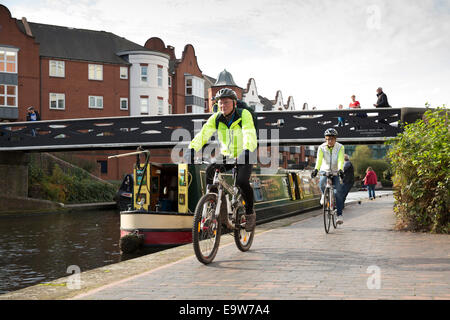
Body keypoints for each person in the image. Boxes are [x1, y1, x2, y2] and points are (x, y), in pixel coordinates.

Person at [185, 88, 258, 232]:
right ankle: (214, 206)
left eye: (226, 102)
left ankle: (249, 213)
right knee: (210, 171)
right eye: (220, 103)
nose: (223, 106)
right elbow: (203, 134)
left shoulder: (244, 115)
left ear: (234, 103)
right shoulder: (216, 118)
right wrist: (191, 149)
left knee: (241, 182)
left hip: (245, 152)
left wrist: (247, 151)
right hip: (227, 155)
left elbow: (249, 133)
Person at [311, 128, 345, 224]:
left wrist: (340, 169)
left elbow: (340, 159)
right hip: (324, 170)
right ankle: (324, 194)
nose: (330, 141)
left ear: (335, 139)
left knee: (338, 192)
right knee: (321, 184)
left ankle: (339, 215)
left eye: (332, 139)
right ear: (325, 139)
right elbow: (319, 160)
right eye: (328, 139)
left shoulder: (340, 147)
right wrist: (316, 169)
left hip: (336, 171)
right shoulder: (321, 147)